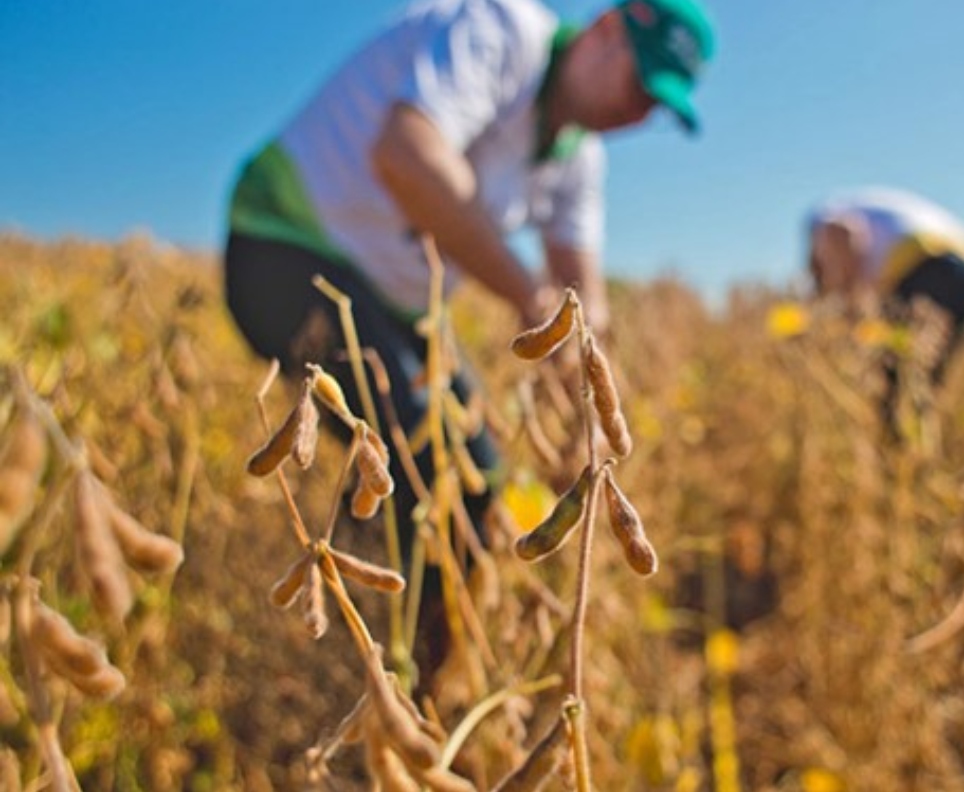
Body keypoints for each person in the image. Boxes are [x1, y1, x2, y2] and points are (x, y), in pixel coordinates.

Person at [222, 0, 714, 682]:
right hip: (284, 247)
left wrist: (591, 400)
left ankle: (386, 666)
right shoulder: (503, 30)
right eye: (641, 84)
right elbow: (407, 154)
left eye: (657, 105)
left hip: (397, 305)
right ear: (605, 31)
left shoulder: (579, 158)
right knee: (428, 480)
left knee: (473, 484)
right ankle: (397, 697)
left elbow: (582, 298)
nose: (640, 112)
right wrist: (529, 297)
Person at [805, 187, 964, 426]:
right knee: (927, 373)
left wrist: (846, 300)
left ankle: (898, 443)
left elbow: (842, 237)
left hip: (925, 262)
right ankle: (919, 445)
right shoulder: (864, 210)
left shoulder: (824, 218)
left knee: (897, 374)